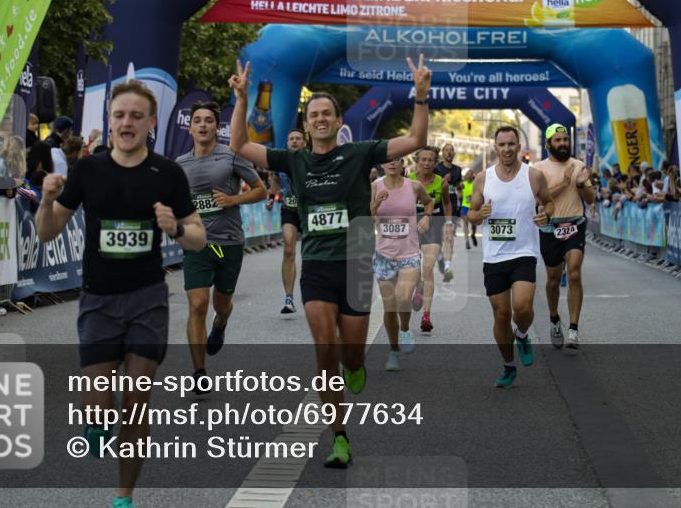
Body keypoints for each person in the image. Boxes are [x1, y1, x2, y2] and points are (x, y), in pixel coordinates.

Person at [229, 55, 431, 469]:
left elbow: (413, 140)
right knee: (325, 348)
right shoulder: (295, 159)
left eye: (326, 114)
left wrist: (422, 98)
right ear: (306, 125)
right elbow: (239, 146)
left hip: (355, 263)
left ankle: (355, 366)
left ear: (338, 121)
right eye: (313, 115)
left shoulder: (359, 153)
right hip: (318, 265)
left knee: (350, 355)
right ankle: (339, 436)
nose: (320, 119)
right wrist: (242, 97)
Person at [36, 80, 206, 508]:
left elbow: (199, 238)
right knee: (96, 408)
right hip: (98, 299)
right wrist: (45, 201)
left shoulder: (168, 174)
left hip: (147, 298)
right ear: (108, 121)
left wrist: (177, 228)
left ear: (150, 123)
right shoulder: (89, 170)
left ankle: (123, 497)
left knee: (135, 401)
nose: (126, 122)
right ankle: (96, 422)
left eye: (136, 116)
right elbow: (47, 231)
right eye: (119, 115)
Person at [176, 100, 266, 395]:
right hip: (198, 244)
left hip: (228, 244)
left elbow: (260, 191)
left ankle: (221, 325)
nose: (203, 125)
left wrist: (233, 200)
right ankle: (198, 371)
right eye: (197, 120)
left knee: (221, 305)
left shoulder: (231, 157)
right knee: (198, 304)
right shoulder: (180, 164)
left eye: (208, 121)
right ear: (190, 128)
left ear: (217, 127)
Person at [467, 125, 551, 387]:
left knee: (523, 308)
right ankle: (508, 365)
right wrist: (478, 215)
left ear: (519, 147)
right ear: (495, 147)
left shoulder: (534, 176)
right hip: (494, 257)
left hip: (524, 252)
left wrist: (545, 213)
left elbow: (548, 202)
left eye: (511, 144)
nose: (506, 149)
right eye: (502, 145)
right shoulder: (483, 178)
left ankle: (523, 334)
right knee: (501, 315)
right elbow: (470, 212)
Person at [535, 124, 595, 353]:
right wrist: (565, 181)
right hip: (550, 227)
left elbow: (590, 199)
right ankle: (554, 319)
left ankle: (573, 328)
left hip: (575, 224)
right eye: (557, 140)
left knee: (574, 273)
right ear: (548, 144)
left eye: (565, 140)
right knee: (552, 280)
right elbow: (542, 199)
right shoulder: (538, 169)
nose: (562, 144)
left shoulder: (578, 165)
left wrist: (581, 184)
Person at [371, 155, 434, 371]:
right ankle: (393, 350)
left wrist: (426, 216)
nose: (391, 163)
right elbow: (365, 216)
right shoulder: (374, 186)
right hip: (383, 255)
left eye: (396, 159)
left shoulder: (414, 186)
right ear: (382, 164)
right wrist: (376, 204)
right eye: (387, 160)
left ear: (401, 164)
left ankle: (405, 328)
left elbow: (429, 202)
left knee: (403, 298)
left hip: (409, 253)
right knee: (389, 308)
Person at [409, 146, 451, 335]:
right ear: (417, 161)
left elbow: (447, 203)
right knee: (415, 270)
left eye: (430, 160)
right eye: (423, 160)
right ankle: (418, 286)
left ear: (436, 162)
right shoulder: (407, 180)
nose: (426, 163)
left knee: (428, 268)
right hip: (410, 227)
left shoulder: (440, 182)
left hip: (433, 226)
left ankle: (426, 315)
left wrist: (449, 223)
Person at [266, 128, 307, 315]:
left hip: (309, 212)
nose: (295, 141)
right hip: (289, 210)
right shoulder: (281, 162)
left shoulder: (311, 160)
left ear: (304, 143)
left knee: (310, 253)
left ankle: (313, 293)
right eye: (291, 139)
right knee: (289, 248)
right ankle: (289, 298)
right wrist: (271, 196)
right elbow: (275, 180)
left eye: (298, 138)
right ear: (287, 143)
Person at [434, 143, 462, 283]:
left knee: (449, 237)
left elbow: (457, 187)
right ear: (443, 153)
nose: (449, 152)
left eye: (452, 150)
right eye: (447, 150)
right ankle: (440, 258)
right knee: (437, 239)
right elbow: (432, 185)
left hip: (452, 207)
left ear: (454, 153)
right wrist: (445, 180)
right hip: (439, 206)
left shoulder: (458, 170)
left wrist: (459, 187)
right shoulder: (436, 168)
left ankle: (447, 268)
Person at [460, 169, 476, 249]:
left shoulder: (475, 184)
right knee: (465, 224)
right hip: (465, 206)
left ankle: (473, 234)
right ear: (466, 176)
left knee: (473, 223)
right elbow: (458, 193)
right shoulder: (463, 184)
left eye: (471, 174)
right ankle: (467, 241)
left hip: (473, 206)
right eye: (468, 174)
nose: (469, 175)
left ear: (473, 176)